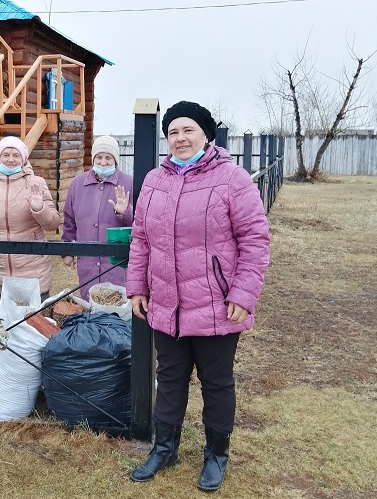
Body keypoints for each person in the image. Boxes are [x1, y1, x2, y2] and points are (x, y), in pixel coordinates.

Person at [126, 101, 270, 491]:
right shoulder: (155, 180)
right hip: (167, 304)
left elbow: (255, 240)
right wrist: (137, 286)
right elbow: (140, 238)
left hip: (216, 304)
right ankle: (165, 447)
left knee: (216, 381)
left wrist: (244, 293)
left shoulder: (232, 180)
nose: (180, 138)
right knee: (169, 377)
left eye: (188, 130)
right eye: (172, 132)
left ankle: (216, 454)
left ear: (205, 134)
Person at [0, 136, 60, 315]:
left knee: (33, 330)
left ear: (24, 159)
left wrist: (39, 208)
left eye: (16, 155)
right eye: (6, 154)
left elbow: (52, 223)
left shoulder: (36, 183)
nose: (10, 159)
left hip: (32, 269)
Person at [62, 135, 133, 299]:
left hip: (117, 264)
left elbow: (141, 222)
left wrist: (125, 212)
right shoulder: (77, 184)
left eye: (108, 157)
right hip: (87, 264)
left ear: (115, 160)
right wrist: (67, 250)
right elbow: (69, 221)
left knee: (116, 308)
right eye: (99, 157)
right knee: (91, 309)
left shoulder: (129, 183)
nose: (103, 162)